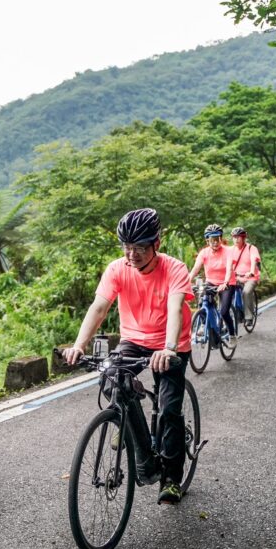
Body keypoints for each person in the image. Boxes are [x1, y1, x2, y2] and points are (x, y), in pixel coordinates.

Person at [62, 208, 193, 504]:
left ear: (156, 244)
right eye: (127, 247)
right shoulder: (117, 269)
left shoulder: (175, 269)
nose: (131, 254)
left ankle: (171, 478)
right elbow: (99, 307)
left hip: (170, 344)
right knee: (111, 377)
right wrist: (79, 344)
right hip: (134, 339)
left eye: (140, 248)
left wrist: (169, 348)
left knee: (169, 408)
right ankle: (134, 429)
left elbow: (175, 310)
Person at [189, 223, 236, 340]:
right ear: (207, 241)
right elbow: (195, 269)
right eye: (212, 239)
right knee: (203, 301)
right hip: (211, 282)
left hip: (227, 283)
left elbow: (229, 268)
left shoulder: (228, 251)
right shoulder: (204, 253)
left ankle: (232, 335)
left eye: (217, 238)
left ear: (221, 238)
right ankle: (204, 324)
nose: (215, 242)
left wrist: (225, 283)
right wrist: (186, 282)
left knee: (224, 312)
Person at [226, 226, 262, 326]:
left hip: (250, 277)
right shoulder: (230, 250)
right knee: (225, 291)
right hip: (236, 277)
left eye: (238, 237)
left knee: (246, 292)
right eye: (234, 237)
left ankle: (249, 317)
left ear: (243, 238)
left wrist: (251, 271)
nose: (236, 239)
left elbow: (254, 259)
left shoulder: (251, 248)